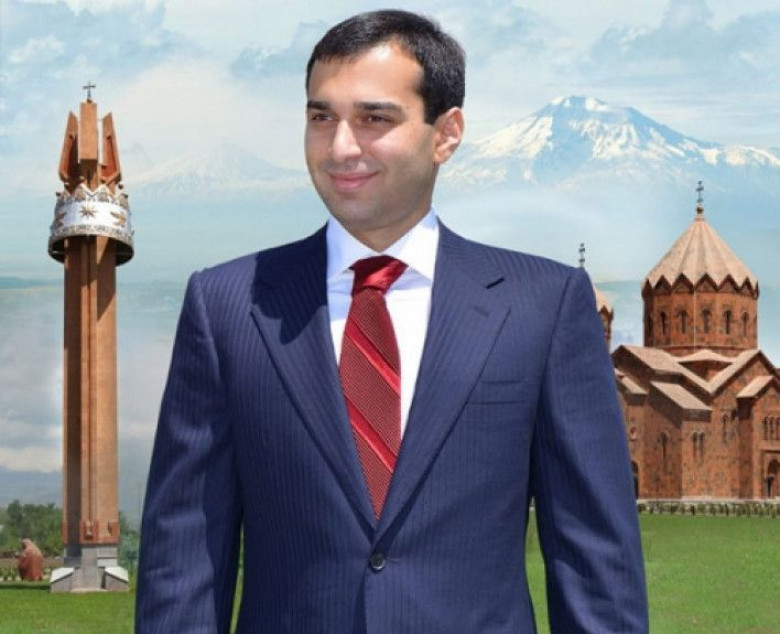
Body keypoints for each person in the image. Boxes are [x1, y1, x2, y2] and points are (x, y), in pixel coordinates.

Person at [136, 9, 648, 633]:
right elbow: (183, 560)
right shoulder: (227, 307)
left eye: (374, 119)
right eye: (321, 117)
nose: (340, 147)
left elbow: (597, 564)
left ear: (446, 133)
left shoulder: (542, 306)